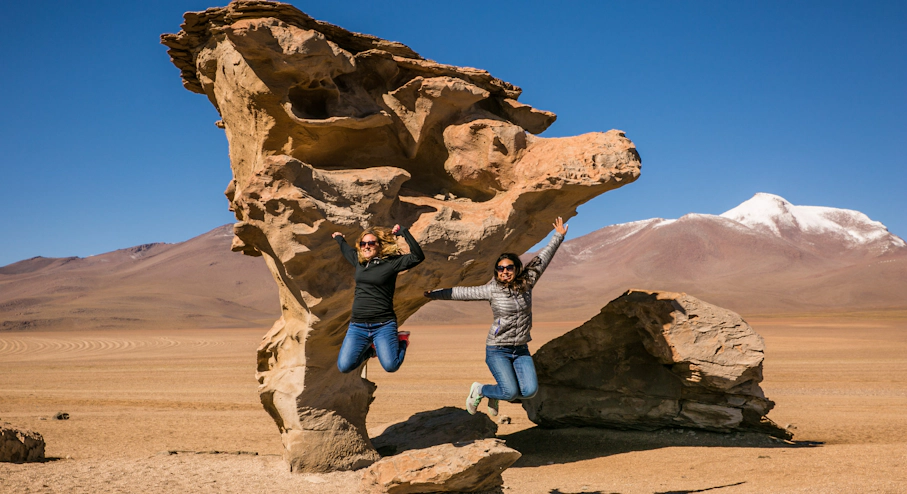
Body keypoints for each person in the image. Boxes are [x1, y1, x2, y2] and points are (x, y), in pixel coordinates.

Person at [424, 217, 568, 415]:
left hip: (520, 349)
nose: (505, 271)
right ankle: (481, 390)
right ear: (497, 272)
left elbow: (542, 259)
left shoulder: (527, 283)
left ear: (516, 269)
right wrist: (433, 294)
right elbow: (461, 293)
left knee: (529, 391)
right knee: (510, 392)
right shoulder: (491, 290)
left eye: (509, 268)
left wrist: (558, 236)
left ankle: (494, 394)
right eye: (500, 269)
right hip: (498, 349)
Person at [333, 224, 424, 373]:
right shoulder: (359, 262)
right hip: (358, 326)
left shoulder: (391, 264)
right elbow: (346, 250)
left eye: (371, 243)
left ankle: (402, 341)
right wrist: (339, 239)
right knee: (344, 366)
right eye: (363, 244)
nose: (366, 246)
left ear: (379, 246)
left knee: (391, 366)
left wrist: (404, 232)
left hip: (383, 325)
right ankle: (373, 351)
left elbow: (417, 256)